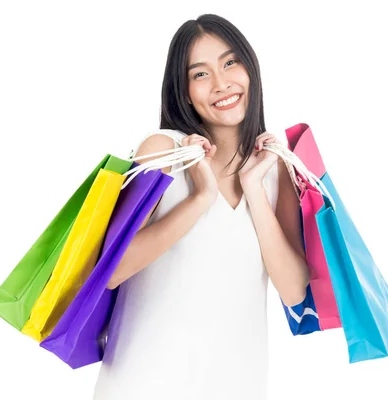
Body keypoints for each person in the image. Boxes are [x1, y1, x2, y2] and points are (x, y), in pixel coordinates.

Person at [93, 13, 310, 400]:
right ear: (184, 90)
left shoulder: (275, 165)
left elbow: (294, 292)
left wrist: (253, 190)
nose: (222, 83)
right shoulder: (164, 152)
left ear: (250, 68)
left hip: (237, 384)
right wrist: (200, 199)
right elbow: (111, 271)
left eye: (230, 63)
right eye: (200, 74)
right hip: (144, 383)